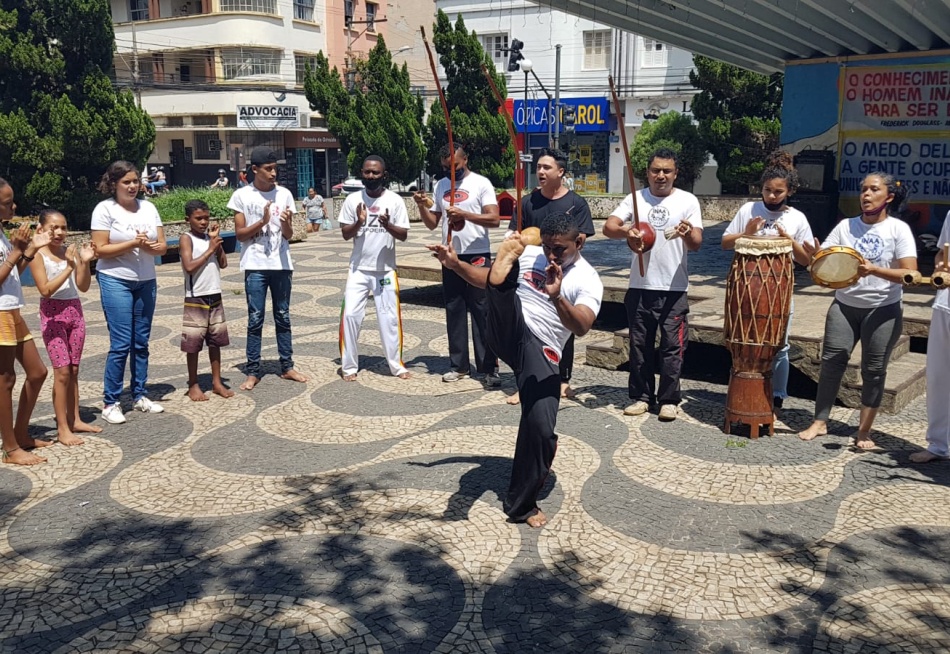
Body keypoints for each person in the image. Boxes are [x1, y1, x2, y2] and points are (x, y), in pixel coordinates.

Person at [428, 213, 603, 527]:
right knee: (500, 286)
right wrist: (455, 265)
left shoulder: (588, 278)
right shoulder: (531, 253)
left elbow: (582, 326)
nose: (551, 254)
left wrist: (557, 296)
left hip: (542, 350)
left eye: (559, 249)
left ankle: (521, 506)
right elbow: (482, 278)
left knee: (541, 429)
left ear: (579, 242)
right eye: (547, 247)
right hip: (509, 328)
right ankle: (504, 277)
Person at [799, 173, 917, 449]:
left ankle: (864, 432)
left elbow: (910, 273)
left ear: (889, 197)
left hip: (883, 309)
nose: (866, 195)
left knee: (874, 370)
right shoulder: (846, 226)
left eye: (874, 189)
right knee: (832, 361)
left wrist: (874, 270)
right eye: (863, 189)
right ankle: (820, 421)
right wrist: (816, 255)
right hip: (845, 305)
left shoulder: (898, 229)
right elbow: (825, 262)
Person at [603, 147, 704, 422]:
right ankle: (642, 397)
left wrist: (686, 233)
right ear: (647, 173)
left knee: (673, 346)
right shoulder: (635, 199)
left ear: (675, 173)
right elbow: (609, 227)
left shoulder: (687, 201)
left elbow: (696, 243)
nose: (661, 175)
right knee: (639, 345)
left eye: (666, 171)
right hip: (640, 285)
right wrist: (628, 230)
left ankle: (669, 399)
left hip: (674, 288)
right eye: (656, 170)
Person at [721, 151, 816, 411]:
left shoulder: (797, 218)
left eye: (778, 192)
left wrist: (790, 240)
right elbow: (725, 243)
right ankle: (742, 392)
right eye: (767, 190)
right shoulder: (748, 210)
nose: (772, 196)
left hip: (779, 290)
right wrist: (746, 232)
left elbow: (806, 260)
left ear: (790, 191)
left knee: (779, 345)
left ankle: (777, 396)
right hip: (746, 287)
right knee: (743, 342)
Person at [505, 148, 595, 403]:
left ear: (561, 172)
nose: (541, 172)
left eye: (547, 167)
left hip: (564, 270)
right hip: (531, 269)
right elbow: (514, 232)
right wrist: (517, 240)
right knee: (527, 326)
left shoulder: (576, 203)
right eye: (538, 167)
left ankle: (563, 379)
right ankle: (524, 380)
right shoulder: (527, 202)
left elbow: (581, 238)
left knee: (564, 322)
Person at [415, 144, 501, 386]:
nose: (450, 172)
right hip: (450, 253)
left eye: (454, 166)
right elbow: (432, 223)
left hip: (477, 253)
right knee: (454, 309)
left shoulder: (481, 183)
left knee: (482, 310)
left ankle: (489, 367)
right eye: (445, 167)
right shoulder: (441, 185)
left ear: (465, 160)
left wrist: (466, 215)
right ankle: (459, 365)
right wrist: (421, 205)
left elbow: (494, 219)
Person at [91, 161, 168, 424]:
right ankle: (111, 402)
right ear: (114, 184)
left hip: (145, 280)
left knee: (141, 342)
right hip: (116, 280)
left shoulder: (148, 208)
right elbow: (100, 250)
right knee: (121, 343)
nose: (133, 186)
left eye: (135, 181)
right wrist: (133, 243)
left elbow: (162, 246)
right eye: (126, 182)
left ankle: (139, 394)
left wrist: (148, 246)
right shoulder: (105, 209)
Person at [229, 147, 309, 390]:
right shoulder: (242, 195)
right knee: (255, 318)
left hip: (281, 265)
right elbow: (240, 235)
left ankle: (287, 366)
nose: (274, 173)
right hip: (255, 266)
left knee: (283, 316)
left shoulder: (284, 194)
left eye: (275, 168)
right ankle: (253, 371)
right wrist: (262, 221)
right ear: (255, 169)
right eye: (268, 169)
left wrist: (285, 224)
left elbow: (289, 235)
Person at [338, 155, 411, 381]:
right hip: (358, 269)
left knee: (389, 319)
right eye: (367, 172)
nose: (371, 176)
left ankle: (396, 366)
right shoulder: (352, 200)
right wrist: (359, 221)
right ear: (361, 173)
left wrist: (388, 225)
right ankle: (349, 367)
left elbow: (403, 235)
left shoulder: (395, 200)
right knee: (351, 316)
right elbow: (345, 234)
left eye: (375, 173)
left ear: (384, 175)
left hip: (385, 270)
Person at [29, 210, 99, 446]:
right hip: (52, 315)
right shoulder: (38, 255)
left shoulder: (70, 252)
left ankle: (75, 419)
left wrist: (84, 263)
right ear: (41, 229)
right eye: (54, 228)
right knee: (62, 372)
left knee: (74, 370)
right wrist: (69, 267)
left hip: (74, 311)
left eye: (63, 227)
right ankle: (62, 428)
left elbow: (83, 286)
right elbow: (45, 290)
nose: (59, 232)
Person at [0, 179, 51, 465]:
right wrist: (17, 252)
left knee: (37, 372)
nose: (14, 206)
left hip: (12, 310)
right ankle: (10, 448)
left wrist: (29, 249)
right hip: (0, 313)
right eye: (7, 203)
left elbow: (12, 274)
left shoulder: (2, 232)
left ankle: (20, 434)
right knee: (5, 379)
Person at [179, 199, 233, 402]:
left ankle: (217, 382)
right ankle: (193, 384)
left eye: (206, 218)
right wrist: (210, 249)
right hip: (196, 296)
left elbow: (224, 264)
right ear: (188, 219)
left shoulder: (210, 239)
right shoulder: (187, 239)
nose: (203, 222)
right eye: (198, 218)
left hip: (214, 294)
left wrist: (216, 244)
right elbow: (189, 266)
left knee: (215, 341)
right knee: (193, 344)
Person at [911, 210, 950, 463]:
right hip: (945, 304)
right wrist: (939, 265)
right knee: (938, 377)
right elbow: (941, 253)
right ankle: (938, 444)